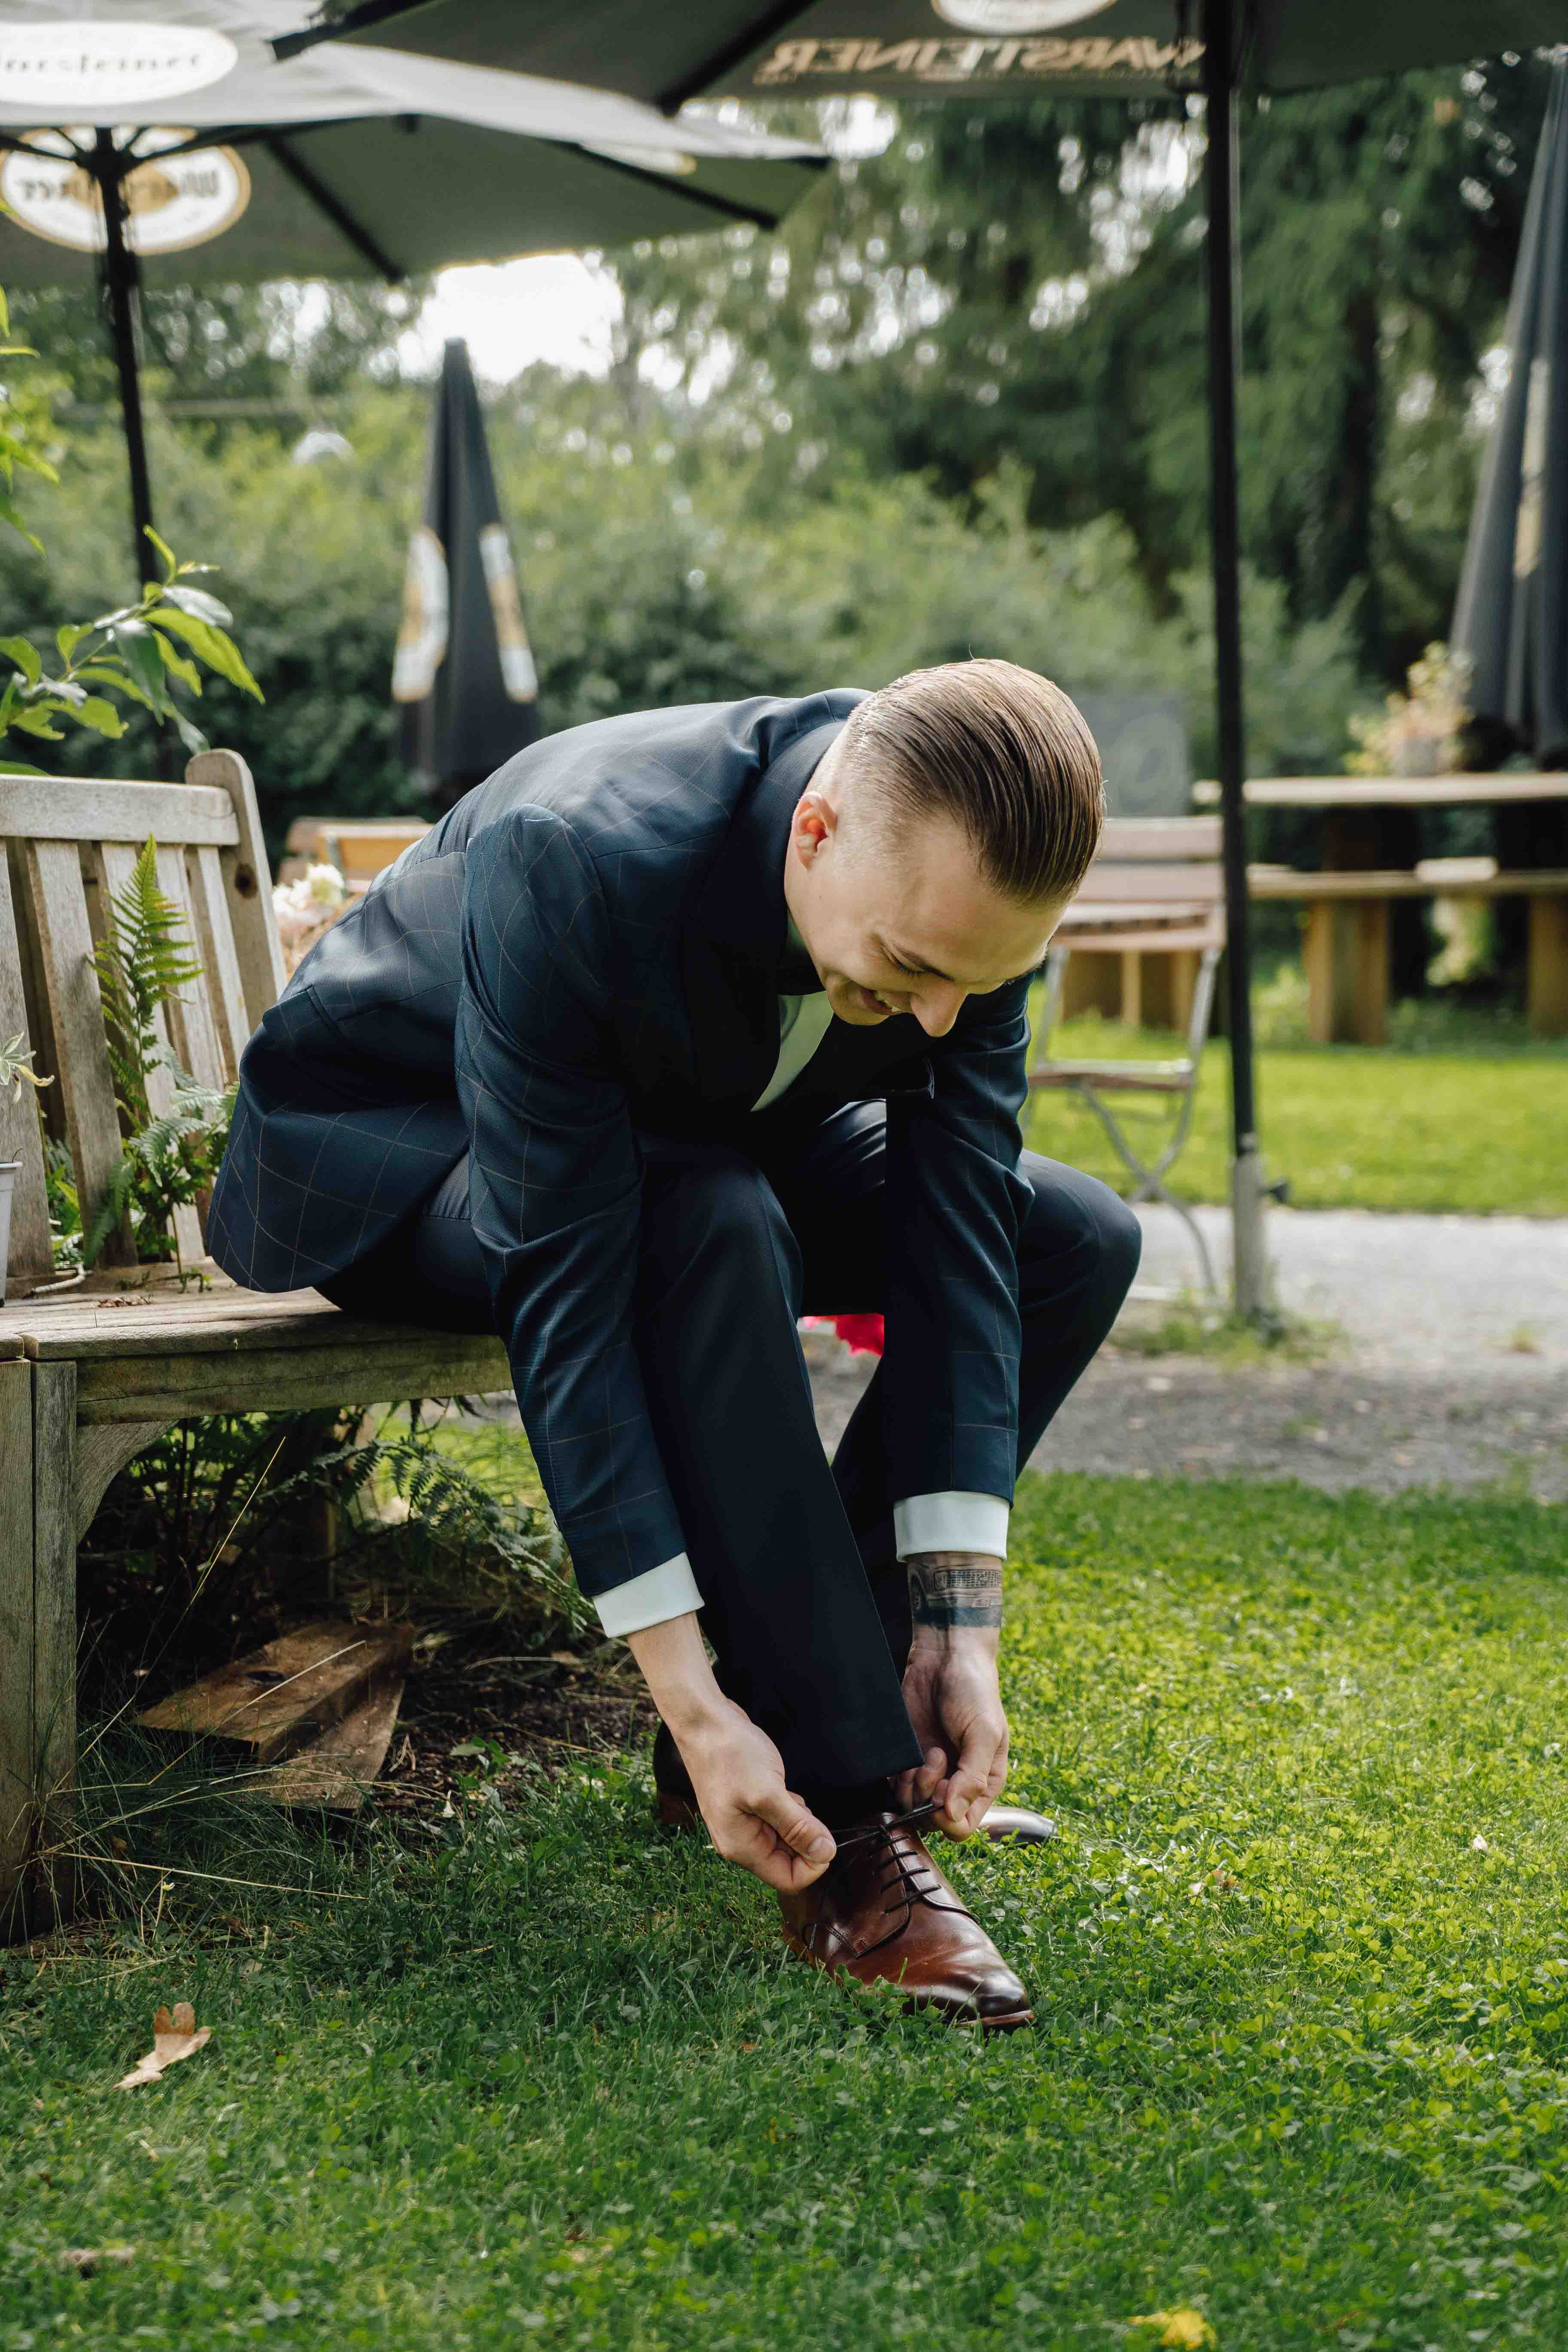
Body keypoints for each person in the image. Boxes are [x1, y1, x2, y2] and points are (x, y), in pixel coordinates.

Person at [208, 660, 1141, 2030]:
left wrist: (959, 1621)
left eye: (982, 985)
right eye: (914, 974)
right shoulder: (577, 854)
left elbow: (960, 1242)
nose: (946, 1019)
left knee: (1067, 1233)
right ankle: (832, 1816)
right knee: (704, 1216)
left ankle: (856, 1706)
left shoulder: (959, 907)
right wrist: (689, 1693)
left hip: (701, 1136)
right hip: (396, 1145)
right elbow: (572, 1306)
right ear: (812, 834)